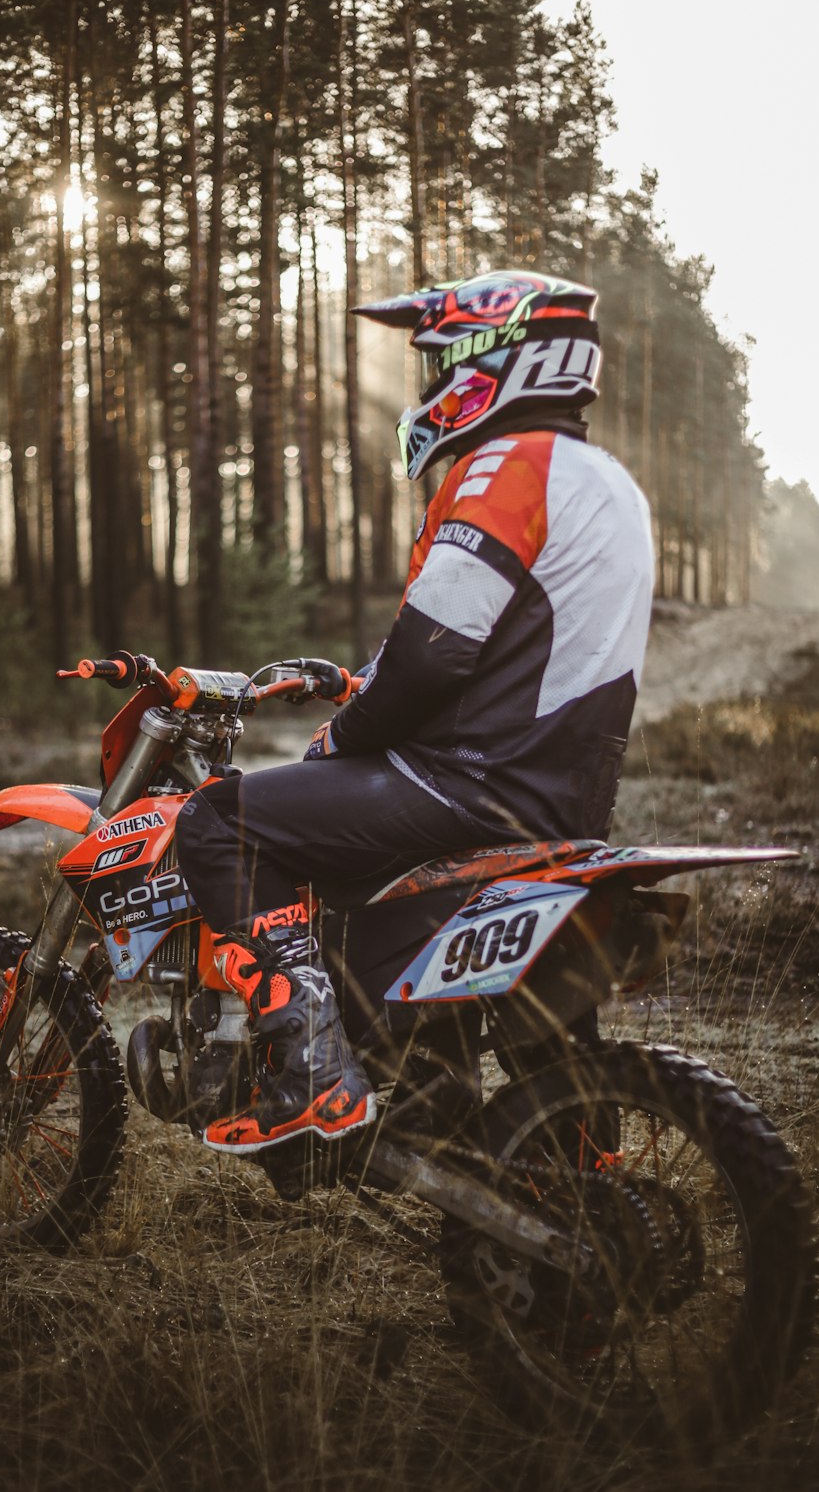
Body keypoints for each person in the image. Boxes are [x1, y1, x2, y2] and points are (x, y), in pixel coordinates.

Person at [175, 269, 654, 1154]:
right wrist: (365, 684)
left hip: (467, 784)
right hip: (560, 797)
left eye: (438, 367)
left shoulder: (509, 466)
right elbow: (515, 647)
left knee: (215, 821)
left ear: (495, 361)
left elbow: (436, 653)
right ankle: (503, 1121)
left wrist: (338, 739)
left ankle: (311, 1072)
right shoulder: (610, 484)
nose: (429, 391)